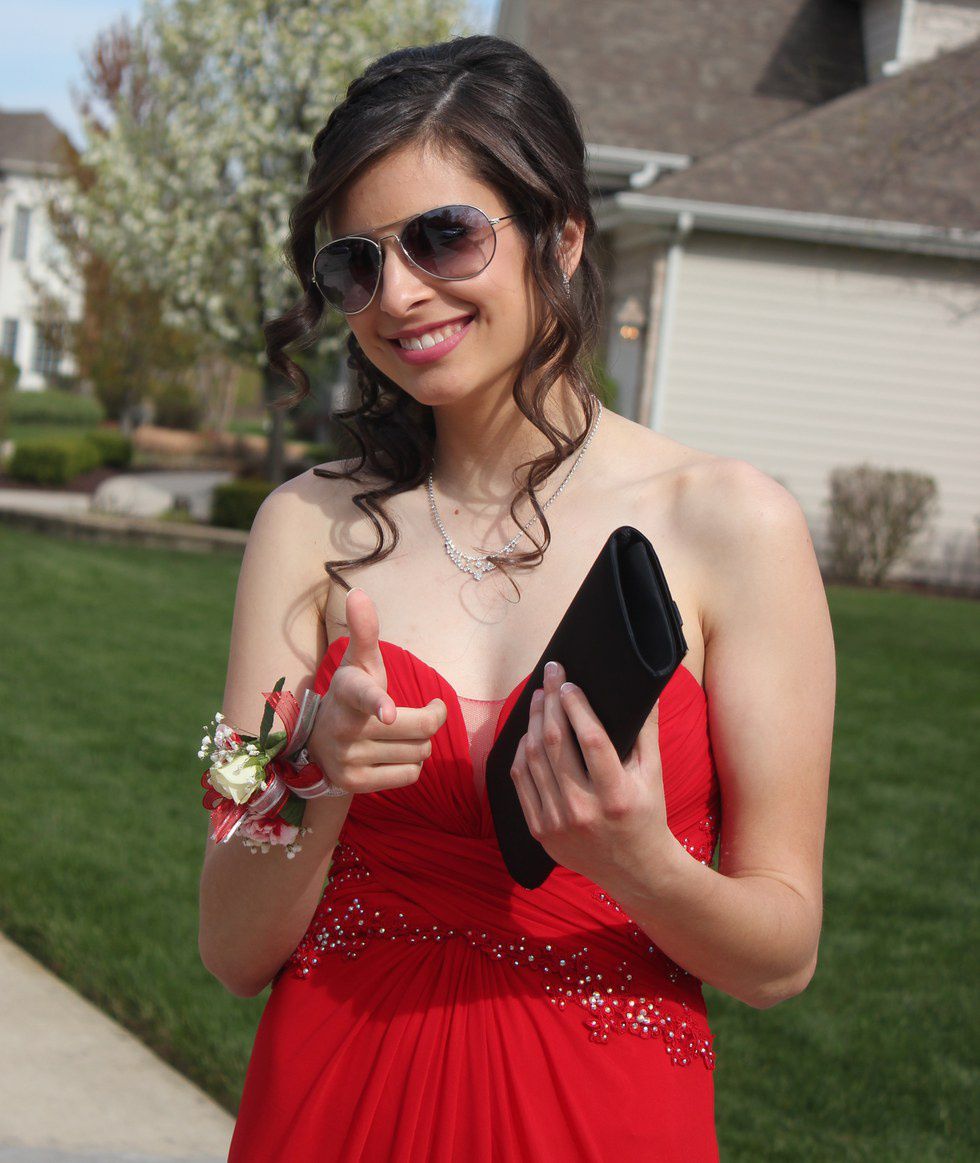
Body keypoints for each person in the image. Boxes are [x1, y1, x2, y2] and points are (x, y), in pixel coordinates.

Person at [198, 33, 835, 1162]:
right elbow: (231, 948)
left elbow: (780, 959)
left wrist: (640, 865)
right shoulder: (301, 529)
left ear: (563, 235)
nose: (399, 294)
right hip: (332, 1105)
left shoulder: (734, 525)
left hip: (600, 1119)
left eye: (443, 235)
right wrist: (312, 771)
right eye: (356, 264)